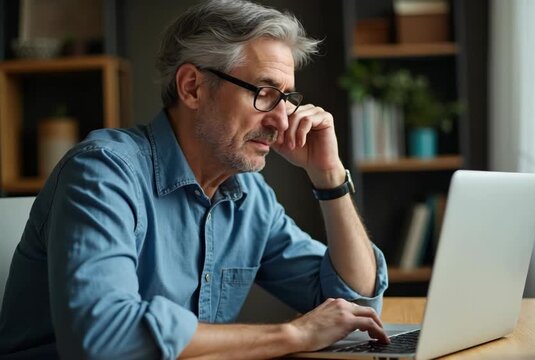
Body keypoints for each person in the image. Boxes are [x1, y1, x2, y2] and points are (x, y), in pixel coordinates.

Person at [0, 0, 390, 358]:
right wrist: (293, 335)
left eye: (286, 98)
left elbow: (355, 305)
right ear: (193, 87)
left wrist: (329, 177)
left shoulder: (248, 195)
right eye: (265, 93)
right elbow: (103, 339)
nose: (282, 119)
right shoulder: (103, 174)